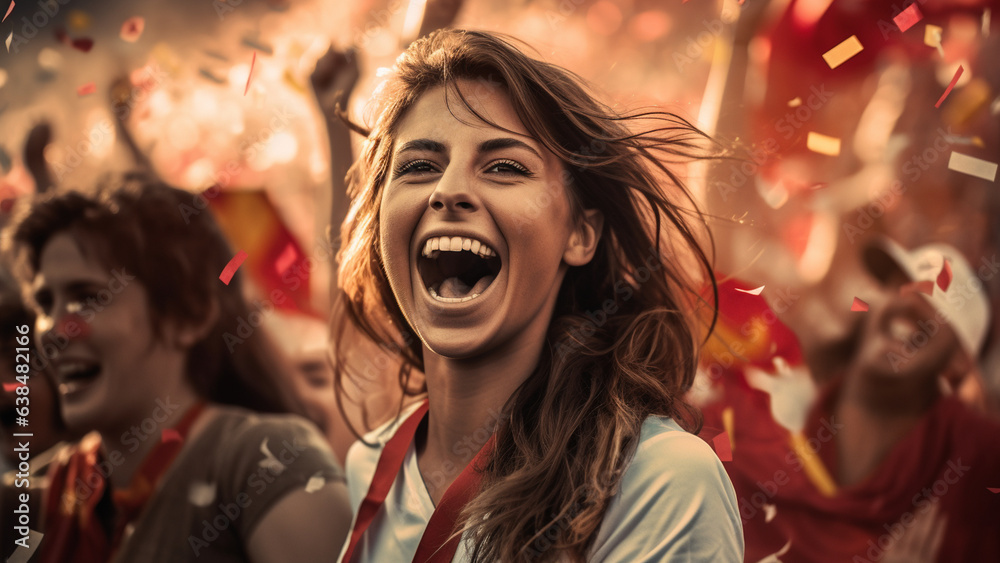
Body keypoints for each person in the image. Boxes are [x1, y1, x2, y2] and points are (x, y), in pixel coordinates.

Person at [332, 29, 743, 562]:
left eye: (505, 166)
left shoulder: (657, 481)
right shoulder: (368, 464)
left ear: (580, 233)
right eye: (418, 165)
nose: (447, 189)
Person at [1, 174, 353, 562]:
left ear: (188, 316)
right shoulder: (48, 496)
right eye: (44, 304)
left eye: (87, 297)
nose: (53, 330)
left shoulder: (265, 461)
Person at [710, 238, 1000, 563]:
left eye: (940, 302)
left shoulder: (978, 464)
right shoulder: (761, 401)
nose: (912, 300)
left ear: (959, 359)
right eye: (900, 284)